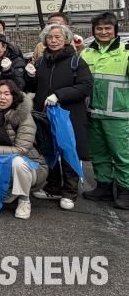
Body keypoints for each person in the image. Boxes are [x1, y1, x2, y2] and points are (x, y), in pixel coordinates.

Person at [25, 23, 93, 210]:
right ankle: (53, 187)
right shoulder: (41, 61)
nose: (53, 41)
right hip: (44, 114)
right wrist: (30, 76)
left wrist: (59, 95)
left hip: (69, 115)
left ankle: (69, 193)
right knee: (49, 150)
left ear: (66, 40)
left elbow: (85, 86)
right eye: (50, 37)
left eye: (58, 37)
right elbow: (32, 88)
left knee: (68, 151)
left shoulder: (76, 61)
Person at [0, 80, 48, 220]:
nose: (2, 98)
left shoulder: (24, 116)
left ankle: (24, 200)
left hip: (32, 165)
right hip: (2, 160)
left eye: (7, 94)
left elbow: (22, 149)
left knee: (18, 162)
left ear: (14, 96)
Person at [80, 12, 129, 209]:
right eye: (99, 28)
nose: (103, 32)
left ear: (115, 30)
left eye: (108, 28)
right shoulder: (87, 53)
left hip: (119, 115)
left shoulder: (126, 51)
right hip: (93, 113)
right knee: (98, 153)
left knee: (122, 156)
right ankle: (104, 187)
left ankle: (125, 190)